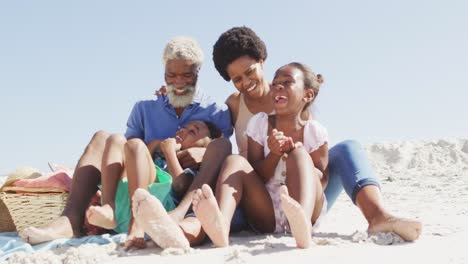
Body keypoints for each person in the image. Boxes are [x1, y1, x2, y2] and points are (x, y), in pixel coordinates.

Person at [190, 26, 421, 243]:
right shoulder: (234, 105)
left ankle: (377, 215)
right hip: (258, 196)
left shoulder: (292, 97)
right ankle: (216, 225)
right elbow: (211, 130)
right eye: (237, 79)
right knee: (234, 169)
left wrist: (292, 152)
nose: (246, 82)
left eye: (250, 71)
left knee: (346, 148)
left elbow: (314, 164)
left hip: (304, 191)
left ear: (262, 62)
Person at [19, 36, 234, 246]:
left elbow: (222, 154)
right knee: (104, 137)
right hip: (143, 185)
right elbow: (130, 151)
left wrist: (202, 154)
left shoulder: (215, 111)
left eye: (187, 76)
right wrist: (159, 146)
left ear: (198, 71)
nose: (178, 83)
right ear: (163, 72)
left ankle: (147, 222)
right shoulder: (144, 109)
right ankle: (72, 219)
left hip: (184, 193)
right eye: (171, 75)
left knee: (220, 148)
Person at [193, 62, 328, 248]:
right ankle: (220, 226)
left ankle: (301, 226)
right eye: (275, 83)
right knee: (235, 161)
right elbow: (256, 174)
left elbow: (321, 179)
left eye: (287, 82)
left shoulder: (314, 131)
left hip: (304, 207)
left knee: (299, 154)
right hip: (267, 211)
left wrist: (297, 157)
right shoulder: (259, 124)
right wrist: (274, 155)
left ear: (307, 95)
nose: (278, 86)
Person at [85, 121, 222, 248]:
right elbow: (138, 158)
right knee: (115, 139)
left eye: (192, 132)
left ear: (204, 148)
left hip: (155, 208)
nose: (183, 132)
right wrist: (156, 145)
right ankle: (109, 207)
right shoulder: (158, 157)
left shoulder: (193, 168)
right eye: (183, 128)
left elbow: (180, 186)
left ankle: (136, 225)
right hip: (124, 203)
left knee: (135, 145)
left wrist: (170, 153)